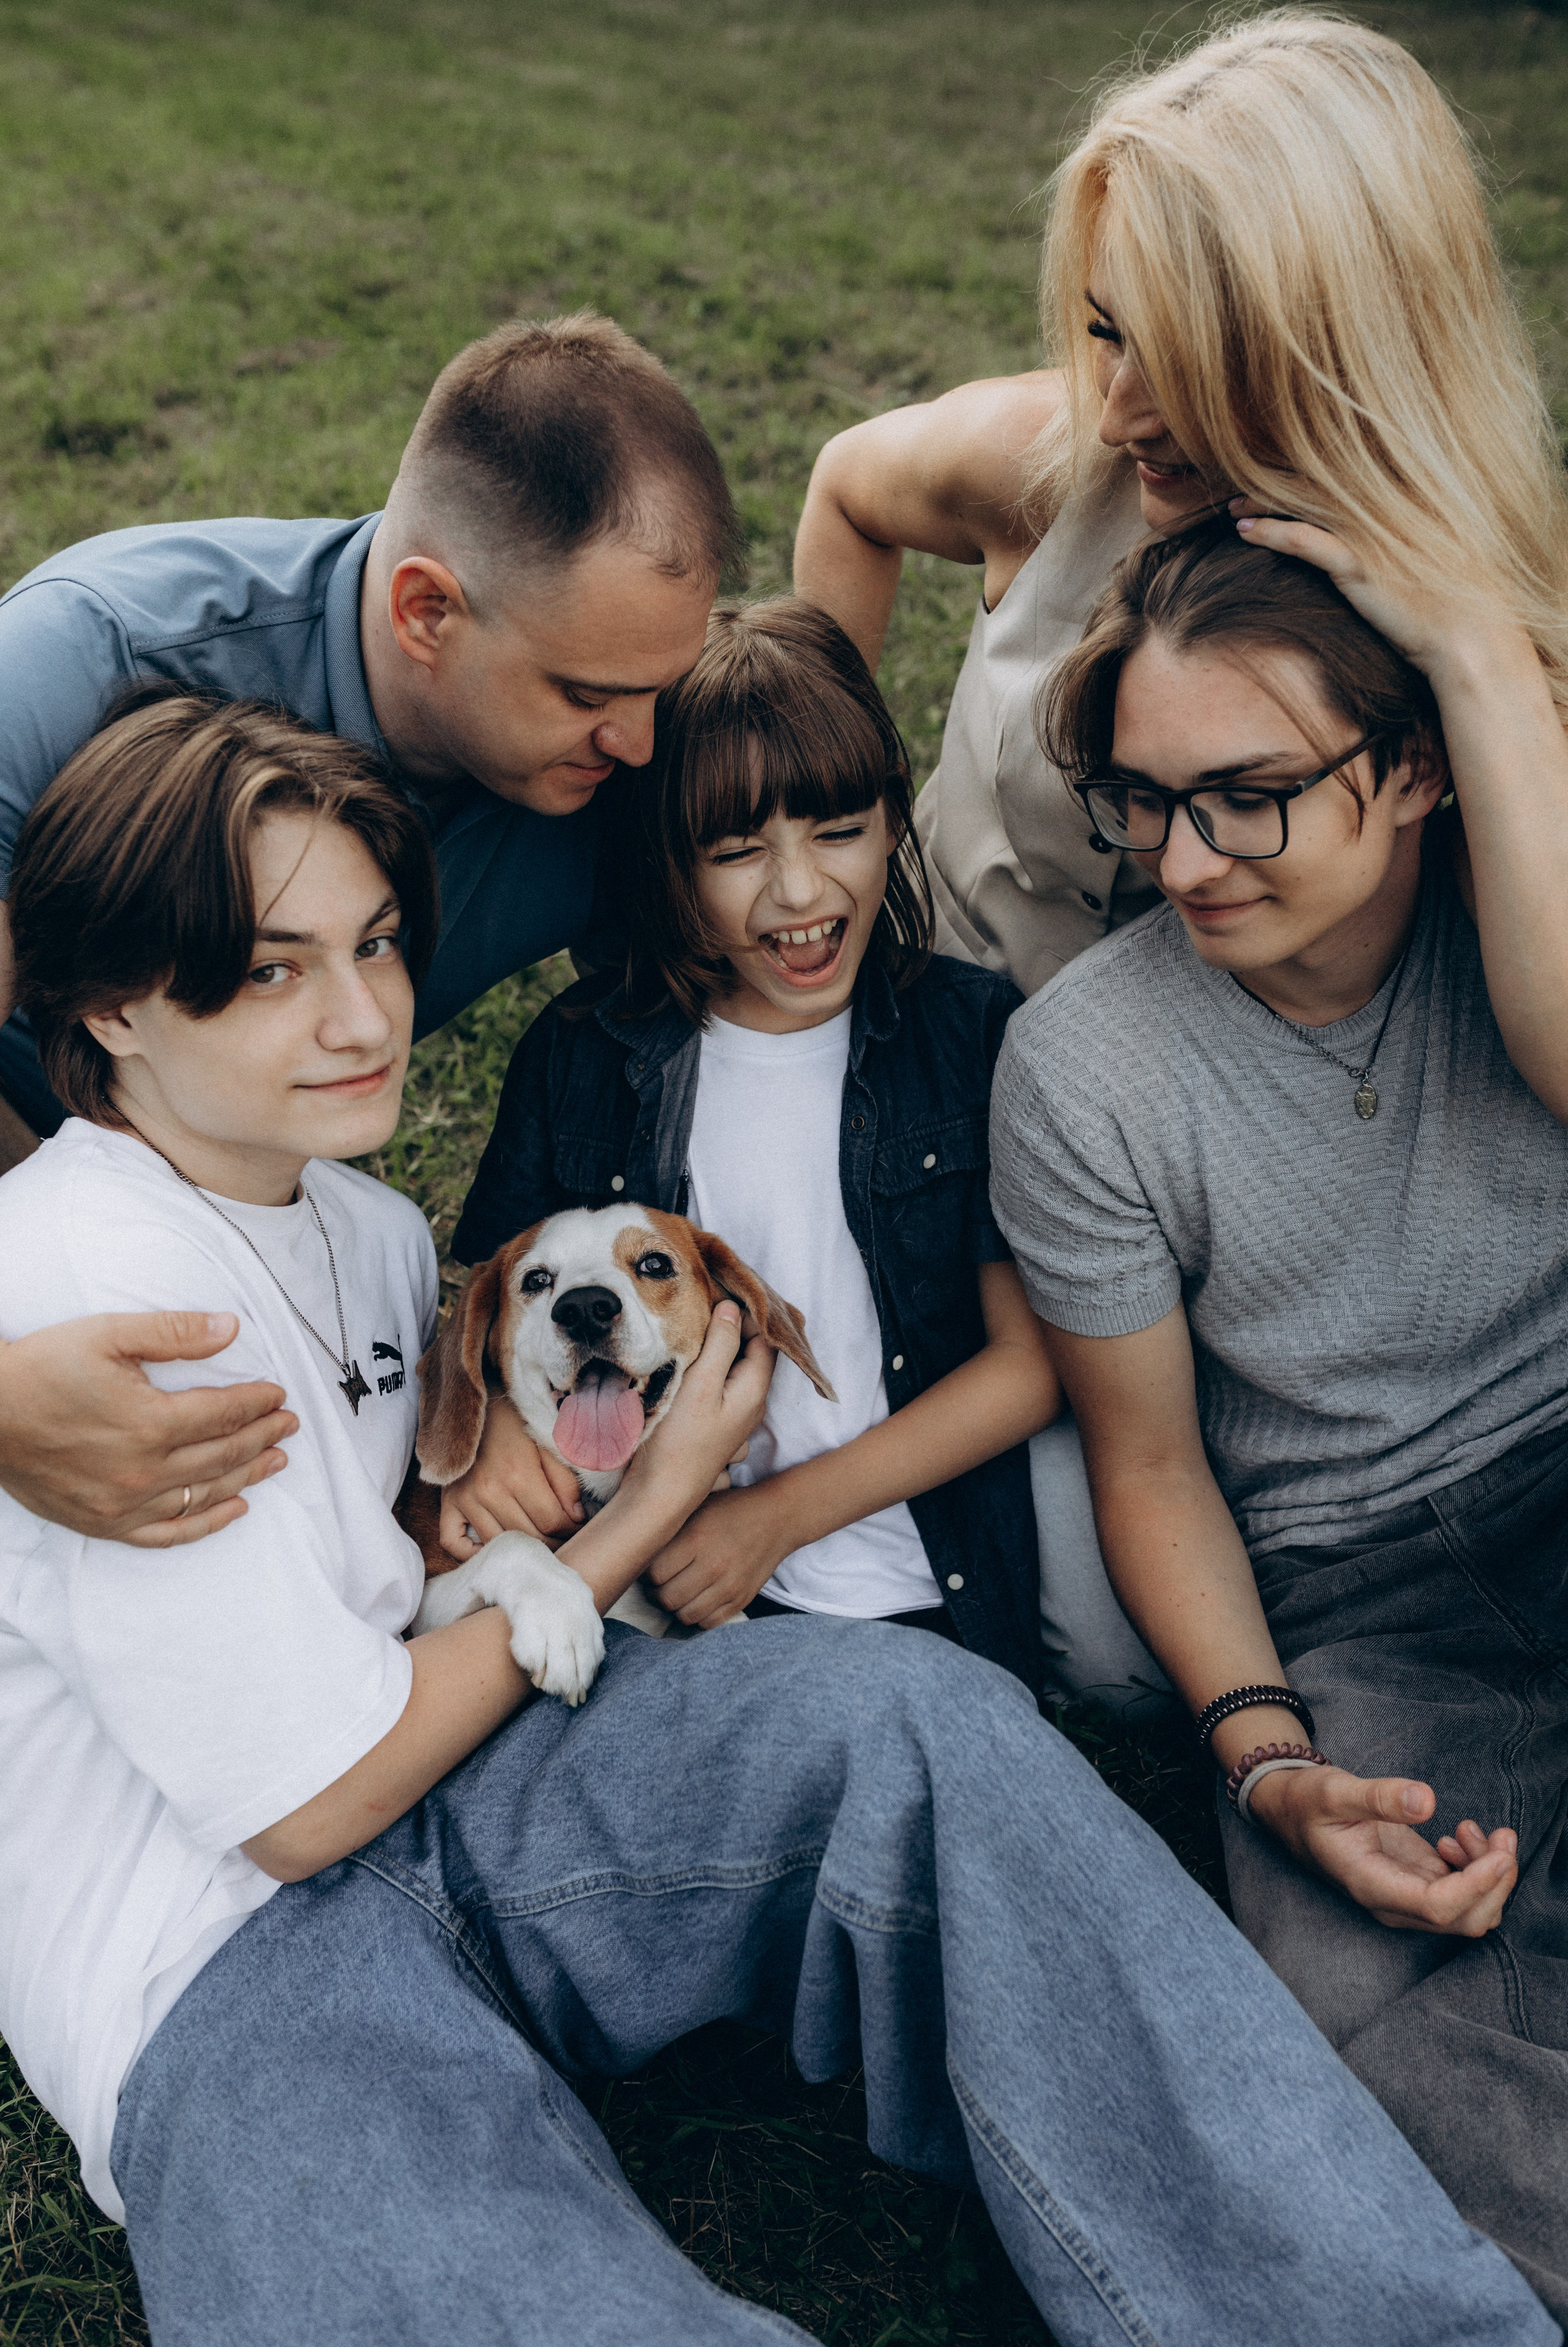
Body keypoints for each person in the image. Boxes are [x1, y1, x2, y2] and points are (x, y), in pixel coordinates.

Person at [0, 693, 1551, 2347]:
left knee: (926, 1731)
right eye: (269, 969)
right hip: (215, 1971)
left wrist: (464, 1499)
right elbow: (302, 1812)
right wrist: (644, 1516)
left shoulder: (375, 1233)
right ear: (113, 1009)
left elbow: (385, 1525)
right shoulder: (92, 1285)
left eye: (375, 945)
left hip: (489, 1793)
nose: (361, 1014)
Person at [792, 6, 1568, 1700]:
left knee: (1146, 1612)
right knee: (1056, 1608)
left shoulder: (1474, 624)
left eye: (1181, 352)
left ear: (1330, 346)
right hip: (945, 1099)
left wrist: (1484, 662)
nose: (1126, 398)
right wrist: (811, 823)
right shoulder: (1060, 458)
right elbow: (848, 490)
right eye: (1103, 330)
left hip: (1229, 1209)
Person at [989, 512, 1568, 2316]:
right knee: (1344, 2034)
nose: (1183, 860)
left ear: (1408, 771)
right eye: (1147, 802)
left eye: (1245, 794)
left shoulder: (1524, 927)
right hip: (1351, 1581)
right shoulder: (1088, 1072)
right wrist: (1266, 1756)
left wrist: (1482, 655)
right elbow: (1150, 1463)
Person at [0, 309, 737, 1549]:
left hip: (286, 1204)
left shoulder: (625, 767)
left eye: (661, 689)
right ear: (426, 611)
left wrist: (521, 1370)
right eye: (587, 695)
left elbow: (678, 1063)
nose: (643, 746)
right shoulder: (80, 663)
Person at [447, 600, 1059, 1683]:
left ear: (893, 819)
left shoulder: (969, 1035)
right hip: (658, 1576)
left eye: (839, 831)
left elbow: (1028, 1369)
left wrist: (774, 1519)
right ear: (666, 864)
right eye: (736, 851)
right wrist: (496, 1426)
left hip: (919, 1569)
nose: (800, 892)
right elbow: (494, 1293)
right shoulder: (586, 1052)